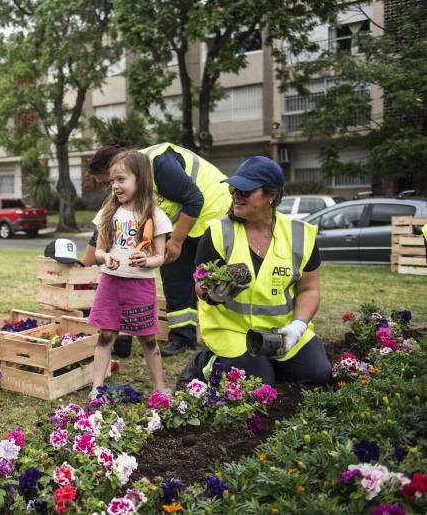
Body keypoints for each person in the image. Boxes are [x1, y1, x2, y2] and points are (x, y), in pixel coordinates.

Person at [185, 156, 331, 387]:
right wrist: (212, 294)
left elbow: (309, 289)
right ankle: (207, 362)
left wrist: (297, 327)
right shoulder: (217, 232)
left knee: (319, 376)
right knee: (259, 385)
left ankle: (268, 365)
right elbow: (199, 285)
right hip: (234, 331)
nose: (236, 195)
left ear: (271, 196)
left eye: (246, 191)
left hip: (281, 329)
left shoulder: (300, 235)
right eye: (234, 189)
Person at [84, 143, 232, 356]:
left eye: (110, 181)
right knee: (173, 273)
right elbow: (104, 225)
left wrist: (177, 241)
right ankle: (182, 337)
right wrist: (85, 264)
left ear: (118, 168)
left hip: (213, 214)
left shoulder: (157, 163)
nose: (111, 188)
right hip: (185, 221)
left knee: (210, 278)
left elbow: (194, 199)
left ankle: (223, 336)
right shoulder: (126, 181)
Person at [88, 151, 173, 395]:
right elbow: (99, 252)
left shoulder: (155, 216)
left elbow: (160, 257)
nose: (115, 185)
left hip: (140, 287)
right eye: (113, 180)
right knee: (105, 335)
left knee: (147, 338)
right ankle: (97, 388)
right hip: (110, 284)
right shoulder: (108, 213)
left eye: (121, 179)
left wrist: (146, 261)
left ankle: (160, 388)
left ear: (141, 179)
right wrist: (106, 257)